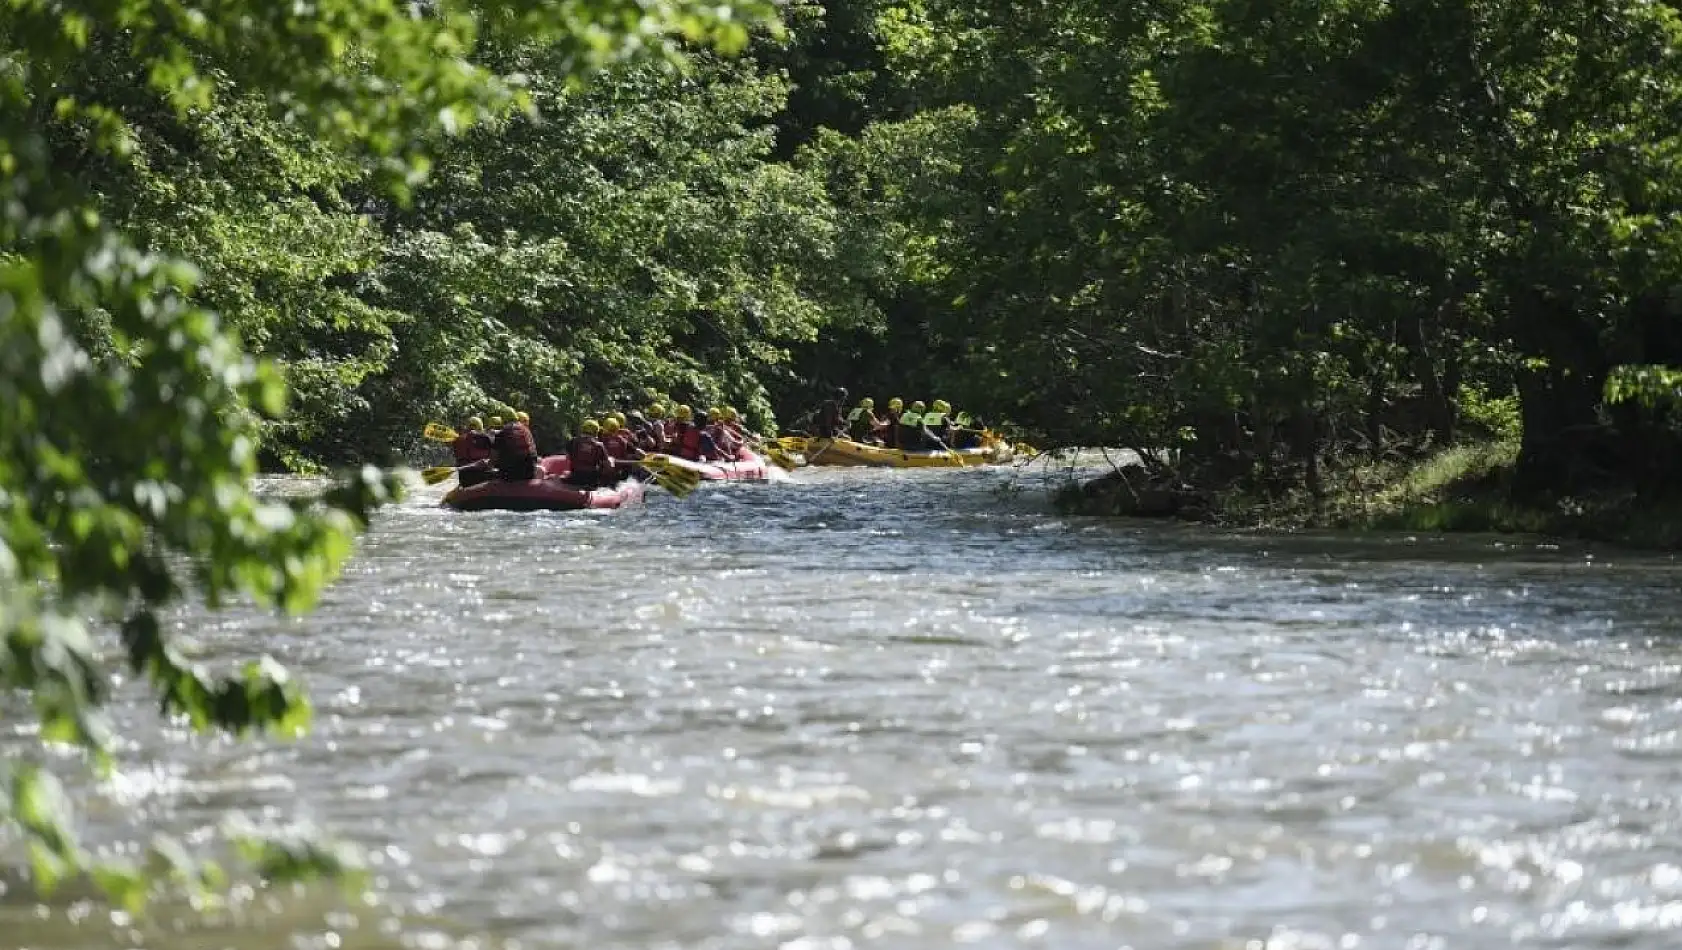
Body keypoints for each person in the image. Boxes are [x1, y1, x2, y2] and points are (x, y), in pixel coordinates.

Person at [564, 420, 615, 488]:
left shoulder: (573, 441)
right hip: (591, 480)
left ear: (583, 429)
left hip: (575, 477)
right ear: (596, 431)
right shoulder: (599, 445)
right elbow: (607, 465)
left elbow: (567, 458)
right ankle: (610, 484)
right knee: (611, 460)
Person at [450, 415, 496, 488]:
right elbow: (491, 459)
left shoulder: (458, 439)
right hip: (481, 477)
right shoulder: (485, 438)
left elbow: (457, 456)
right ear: (479, 426)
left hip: (464, 477)